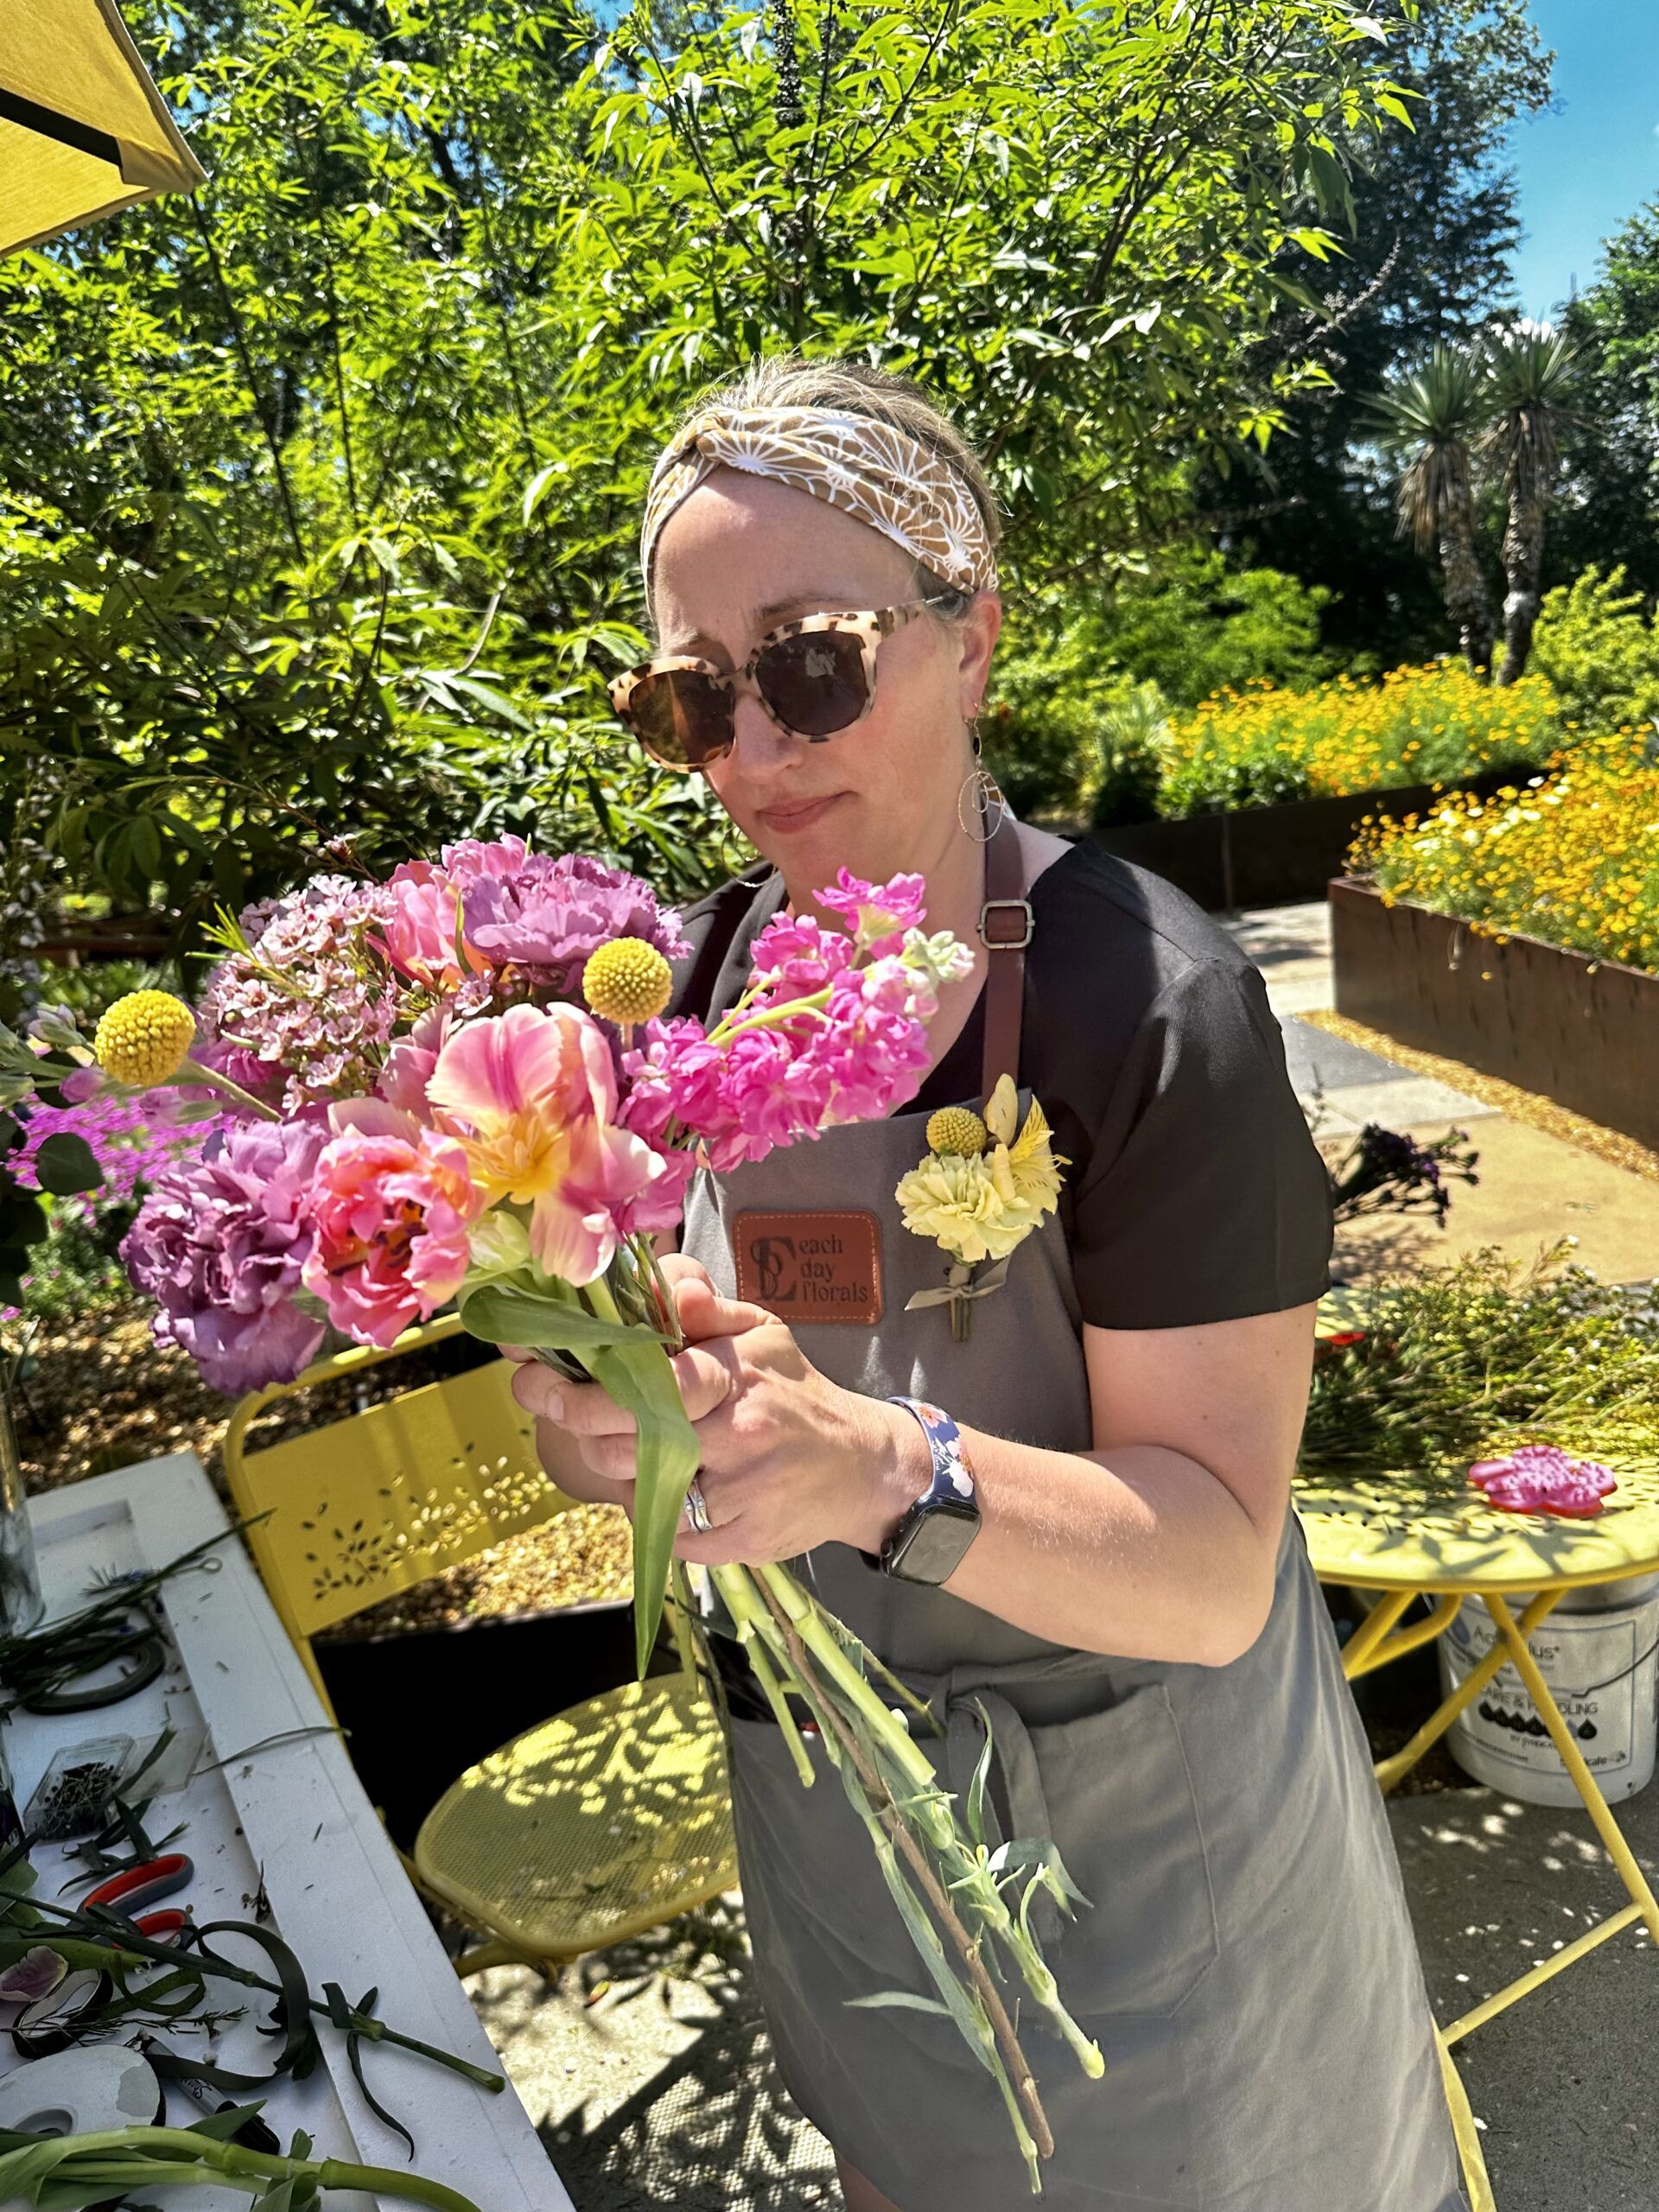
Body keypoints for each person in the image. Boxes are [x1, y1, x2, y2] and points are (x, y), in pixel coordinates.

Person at [506, 353, 1468, 2212]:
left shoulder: (1146, 1004)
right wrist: (613, 1427)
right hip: (839, 1831)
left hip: (1153, 1884)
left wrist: (877, 1465)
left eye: (811, 665)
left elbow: (1211, 1564)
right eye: (690, 698)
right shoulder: (676, 997)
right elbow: (664, 1396)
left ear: (974, 639)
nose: (752, 753)